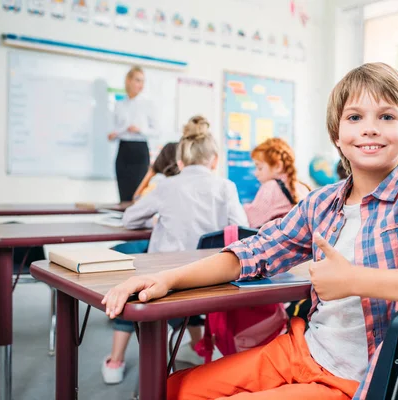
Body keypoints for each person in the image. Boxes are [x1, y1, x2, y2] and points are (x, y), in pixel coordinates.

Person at [102, 62, 398, 400]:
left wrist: (357, 280)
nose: (370, 129)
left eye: (387, 117)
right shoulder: (322, 202)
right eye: (355, 117)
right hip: (302, 348)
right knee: (175, 389)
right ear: (337, 136)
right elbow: (252, 252)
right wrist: (167, 277)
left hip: (354, 381)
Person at [101, 117, 248, 384]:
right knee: (183, 298)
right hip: (207, 278)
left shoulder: (167, 186)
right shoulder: (226, 187)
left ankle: (115, 360)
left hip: (161, 280)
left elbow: (129, 219)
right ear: (214, 160)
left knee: (132, 285)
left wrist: (157, 219)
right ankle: (197, 347)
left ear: (180, 162)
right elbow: (241, 229)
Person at [108, 66, 157, 202]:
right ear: (128, 81)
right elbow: (116, 129)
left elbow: (157, 131)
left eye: (142, 81)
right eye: (137, 80)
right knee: (124, 195)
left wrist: (140, 130)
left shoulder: (147, 104)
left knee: (138, 196)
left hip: (140, 151)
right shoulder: (119, 104)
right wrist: (114, 135)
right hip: (124, 150)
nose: (140, 85)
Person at [243, 138, 311, 228]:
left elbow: (250, 220)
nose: (256, 173)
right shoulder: (303, 187)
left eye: (259, 168)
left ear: (278, 166)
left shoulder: (271, 187)